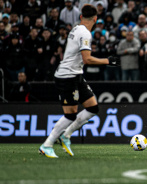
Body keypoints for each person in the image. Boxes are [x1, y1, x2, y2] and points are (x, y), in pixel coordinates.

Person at [39, 4, 120, 158]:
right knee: (70, 115)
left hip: (75, 75)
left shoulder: (75, 28)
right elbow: (87, 59)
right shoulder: (85, 34)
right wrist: (108, 61)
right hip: (67, 76)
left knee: (93, 107)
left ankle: (66, 135)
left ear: (81, 17)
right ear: (95, 19)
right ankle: (47, 145)